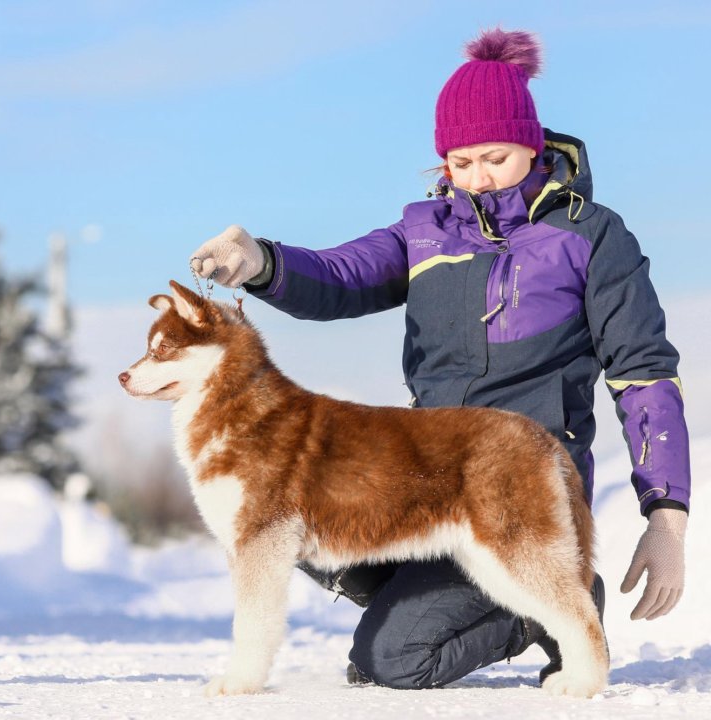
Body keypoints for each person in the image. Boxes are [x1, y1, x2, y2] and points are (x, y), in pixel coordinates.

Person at [190, 28, 690, 689]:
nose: (478, 178)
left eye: (495, 157)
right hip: (429, 478)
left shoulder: (588, 236)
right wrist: (261, 263)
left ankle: (549, 605)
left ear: (532, 146)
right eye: (461, 162)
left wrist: (667, 517)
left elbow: (644, 374)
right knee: (288, 509)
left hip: (519, 488)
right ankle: (469, 594)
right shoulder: (424, 231)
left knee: (391, 661)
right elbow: (341, 274)